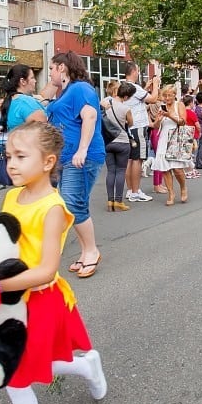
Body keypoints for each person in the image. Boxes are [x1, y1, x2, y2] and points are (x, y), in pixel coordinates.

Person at [0, 122, 106, 404]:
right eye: (8, 156)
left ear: (48, 162)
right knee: (31, 363)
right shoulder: (12, 195)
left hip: (40, 299)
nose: (11, 164)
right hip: (11, 299)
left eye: (20, 157)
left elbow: (45, 270)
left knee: (17, 374)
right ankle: (85, 365)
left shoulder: (52, 207)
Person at [41, 51, 105, 279]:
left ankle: (91, 251)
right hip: (68, 158)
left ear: (62, 68)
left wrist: (82, 149)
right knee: (76, 205)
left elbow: (89, 116)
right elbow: (44, 100)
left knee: (72, 204)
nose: (49, 73)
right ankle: (85, 251)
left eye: (51, 68)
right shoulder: (66, 91)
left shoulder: (80, 88)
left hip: (82, 157)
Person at [122, 62, 160, 202]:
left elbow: (135, 100)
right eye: (138, 70)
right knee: (137, 159)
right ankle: (136, 191)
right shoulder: (134, 87)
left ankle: (131, 190)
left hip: (129, 127)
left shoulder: (124, 86)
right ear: (133, 71)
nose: (138, 73)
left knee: (130, 159)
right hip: (138, 126)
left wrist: (145, 88)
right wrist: (155, 84)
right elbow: (153, 99)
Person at [151, 85, 190, 205]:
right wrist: (158, 119)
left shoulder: (179, 105)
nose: (167, 98)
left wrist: (169, 115)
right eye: (165, 95)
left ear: (174, 95)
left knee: (177, 169)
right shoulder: (161, 107)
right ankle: (171, 193)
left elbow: (183, 122)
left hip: (176, 138)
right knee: (165, 169)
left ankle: (183, 188)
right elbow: (156, 126)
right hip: (163, 139)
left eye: (169, 95)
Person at [100, 81, 134, 211]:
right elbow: (130, 124)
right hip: (122, 142)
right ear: (125, 97)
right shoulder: (126, 109)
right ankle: (118, 201)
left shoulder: (105, 103)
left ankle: (110, 202)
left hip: (108, 142)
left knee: (111, 171)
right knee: (120, 171)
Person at [2, 64, 47, 132]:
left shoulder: (12, 100)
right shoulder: (27, 102)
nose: (35, 81)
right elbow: (43, 134)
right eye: (32, 78)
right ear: (23, 81)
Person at [182, 95, 202, 179]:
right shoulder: (191, 113)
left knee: (186, 153)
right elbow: (197, 125)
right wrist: (200, 131)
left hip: (184, 134)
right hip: (193, 135)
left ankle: (186, 170)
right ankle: (190, 170)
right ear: (190, 103)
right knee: (193, 153)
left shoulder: (182, 112)